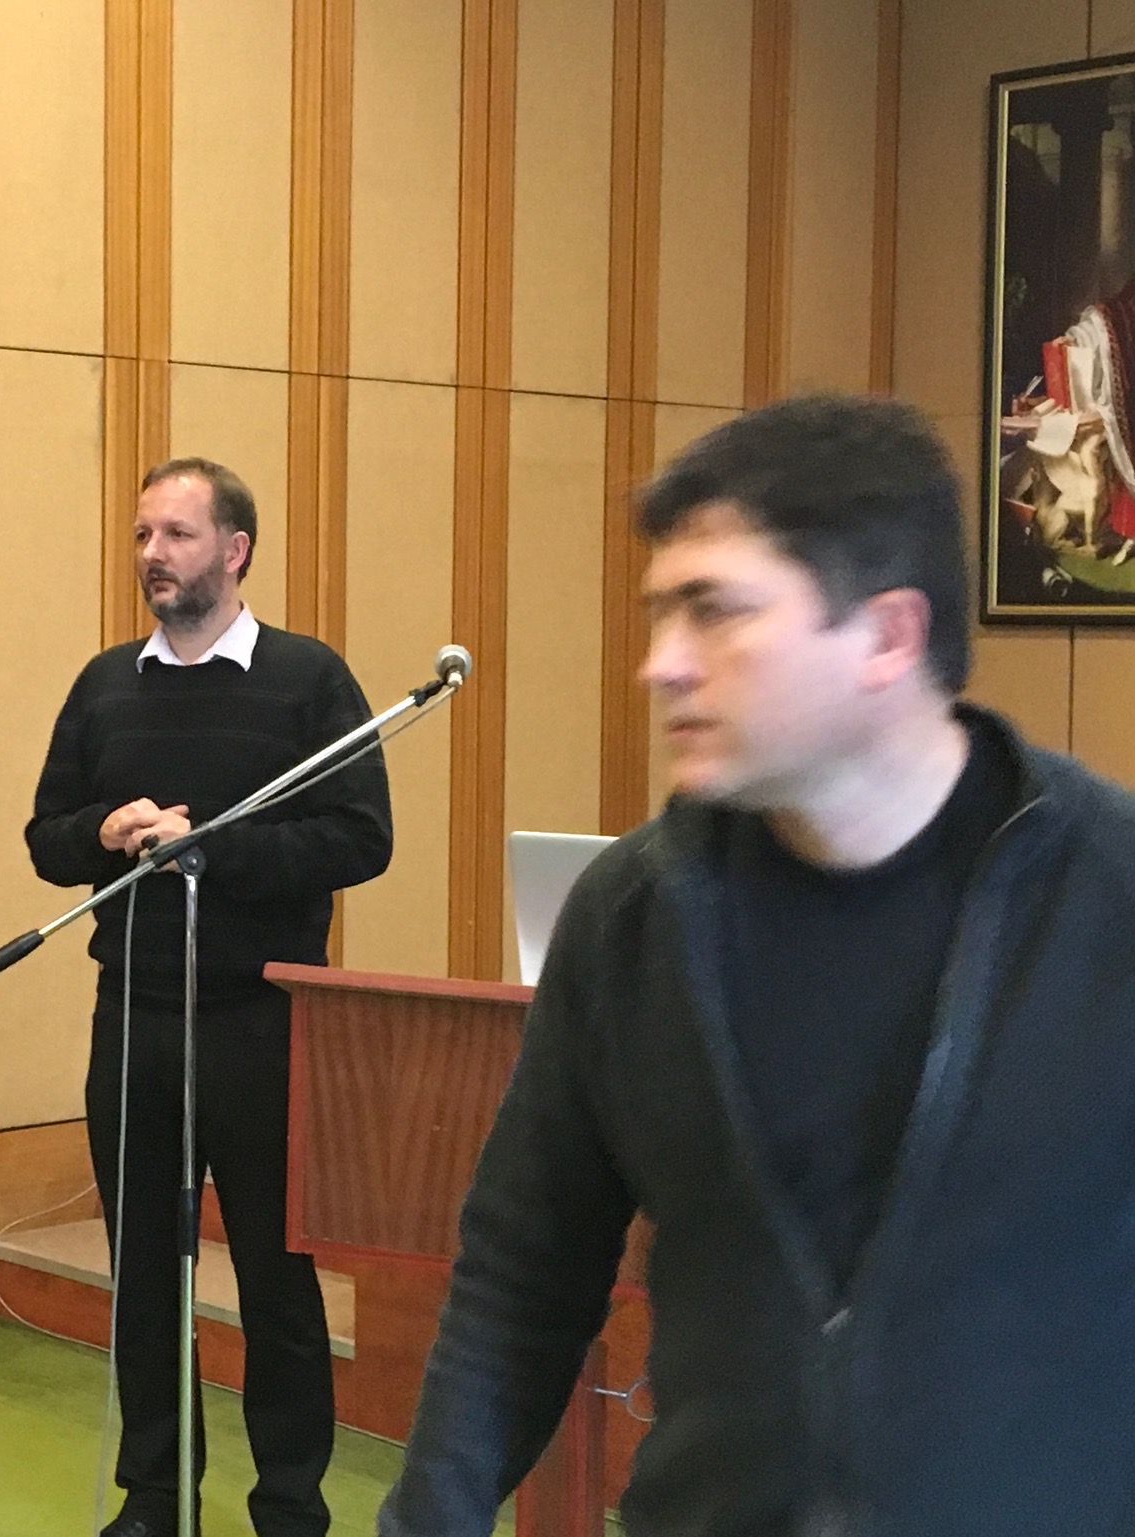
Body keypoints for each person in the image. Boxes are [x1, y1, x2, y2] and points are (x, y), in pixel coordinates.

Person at [378, 392, 1135, 1536]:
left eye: (714, 611)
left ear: (887, 635)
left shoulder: (1111, 896)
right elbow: (522, 1276)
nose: (660, 665)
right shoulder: (630, 918)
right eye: (659, 614)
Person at [27, 458, 393, 1537]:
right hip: (134, 1017)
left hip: (261, 1021)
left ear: (235, 550)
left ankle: (290, 1506)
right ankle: (155, 1497)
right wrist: (102, 832)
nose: (153, 554)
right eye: (143, 534)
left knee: (278, 1278)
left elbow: (359, 838)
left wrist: (214, 851)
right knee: (145, 1273)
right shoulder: (104, 685)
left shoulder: (308, 680)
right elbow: (46, 838)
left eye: (177, 535)